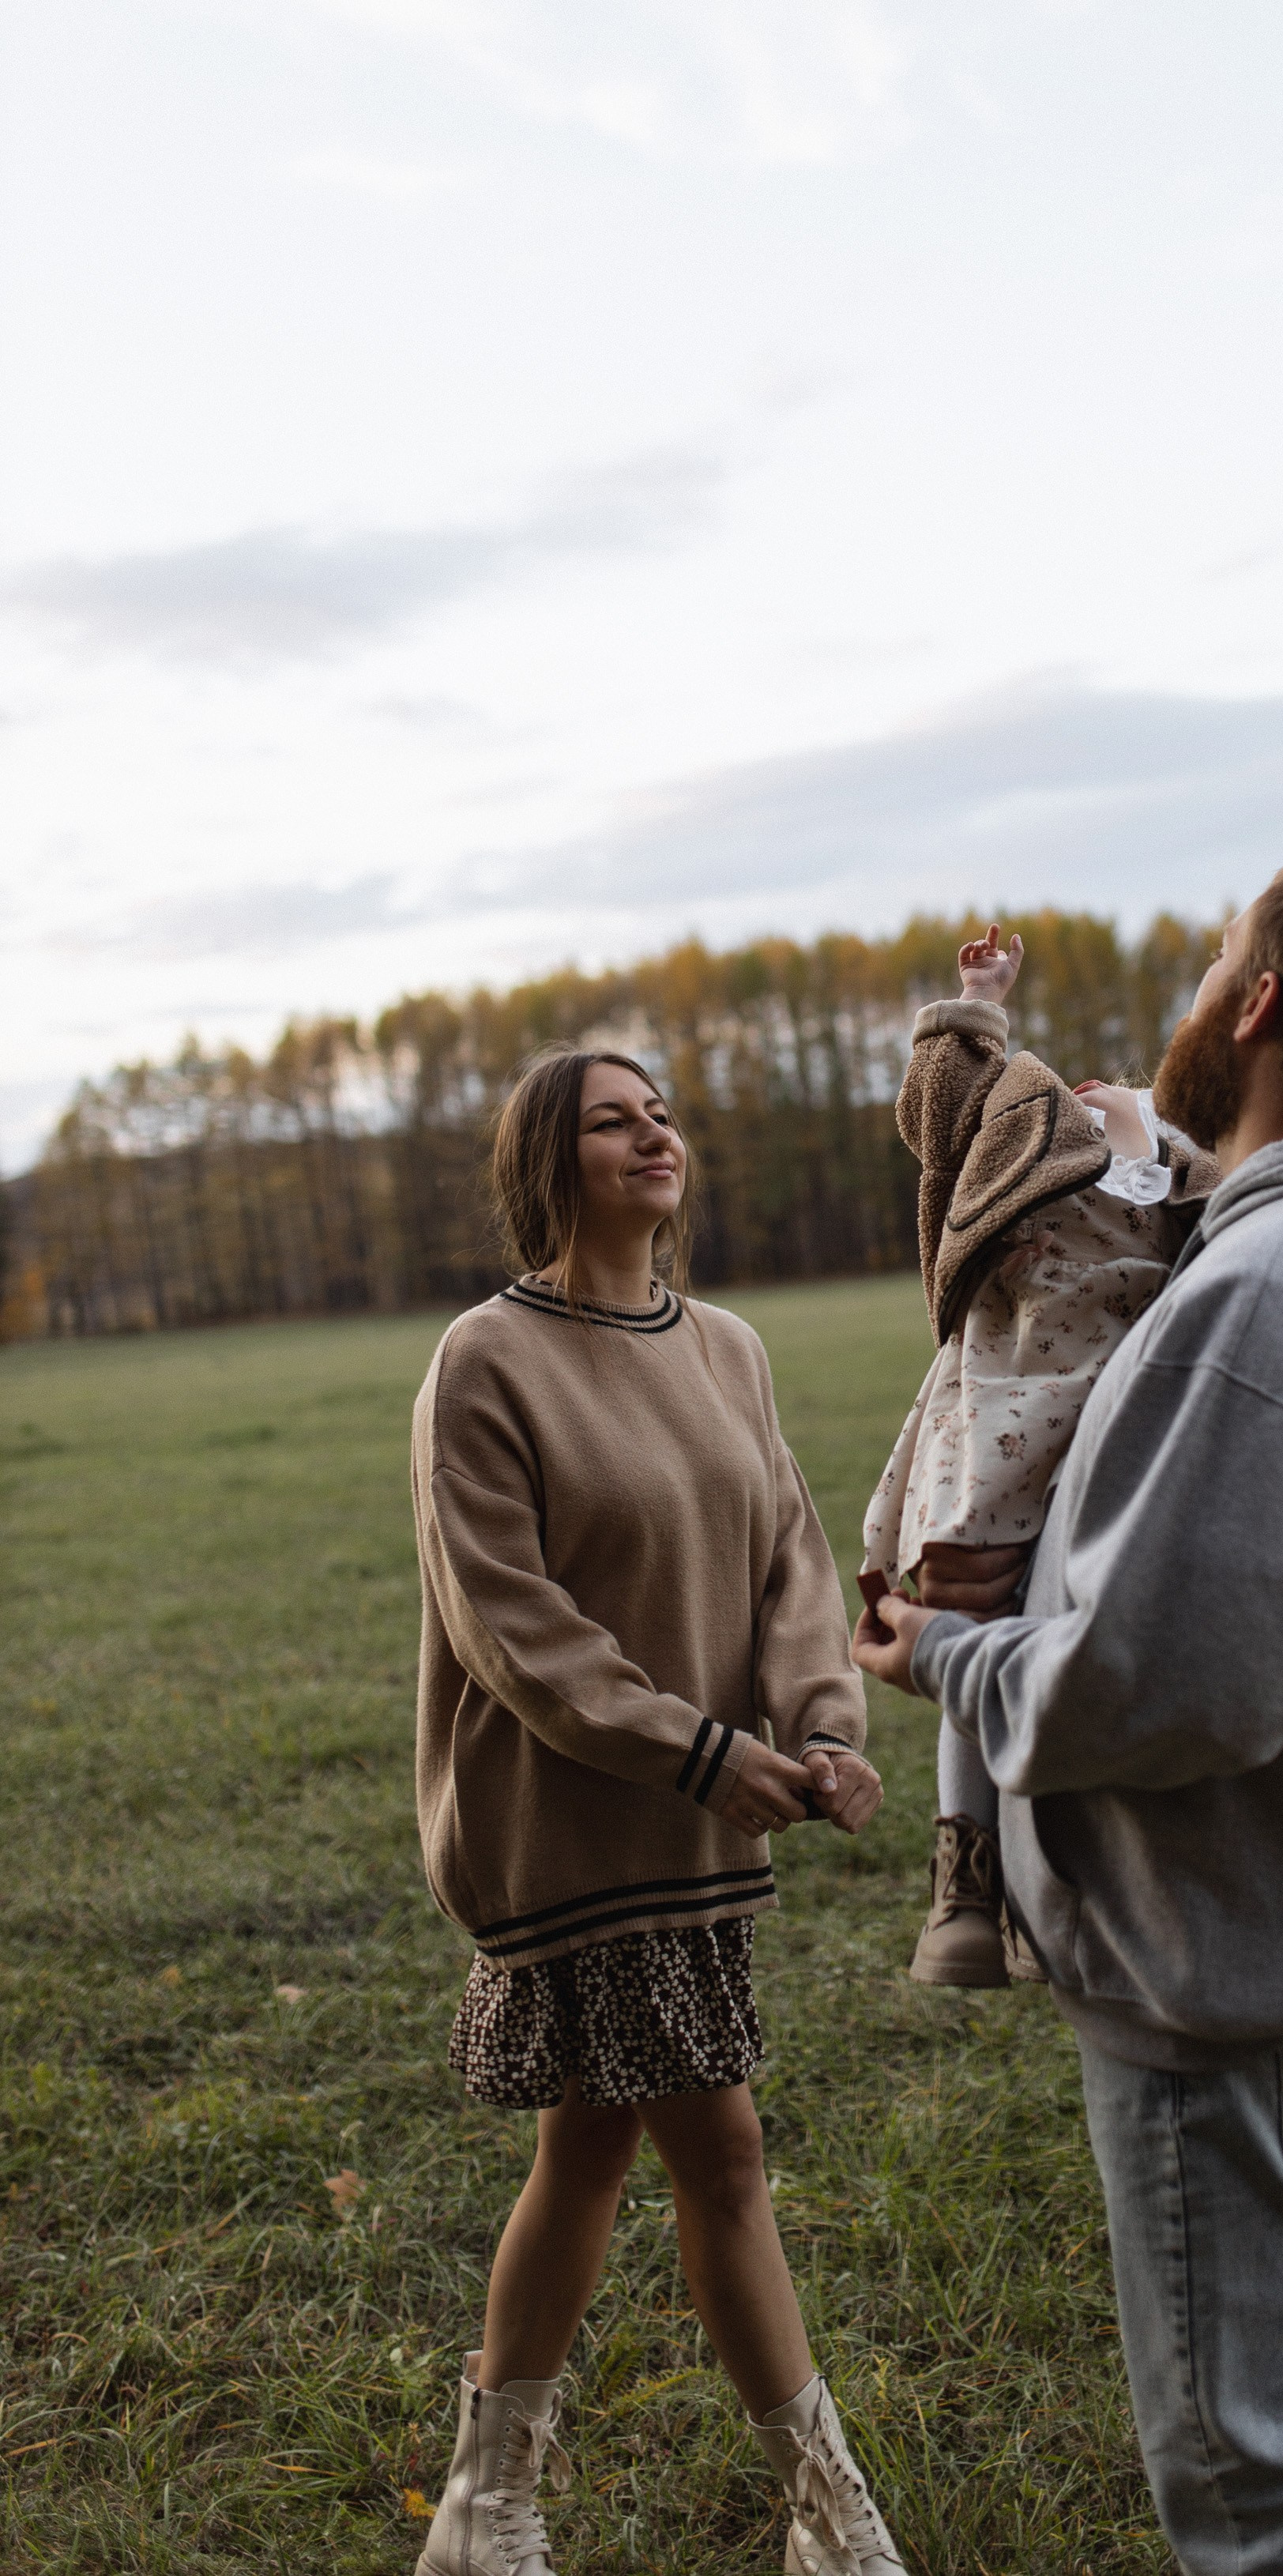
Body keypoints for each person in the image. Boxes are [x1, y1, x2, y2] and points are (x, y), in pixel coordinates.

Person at [855, 854, 1283, 2576]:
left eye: (1217, 958)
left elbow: (1162, 1683)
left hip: (1235, 1980)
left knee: (1269, 2489)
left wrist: (944, 1655)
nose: (1196, 991)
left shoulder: (1265, 1293)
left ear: (1258, 1002)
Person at [410, 1047, 906, 2576]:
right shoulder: (487, 1358)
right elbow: (509, 1622)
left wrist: (821, 1727)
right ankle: (829, 2523)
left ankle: (485, 2509)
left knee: (594, 2148)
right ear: (547, 1163)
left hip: (699, 1828)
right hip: (574, 1827)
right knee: (716, 2155)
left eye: (662, 1114)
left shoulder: (727, 1348)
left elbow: (791, 1561)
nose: (652, 1136)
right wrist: (694, 1751)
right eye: (610, 1121)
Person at [861, 923, 1217, 1985]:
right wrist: (980, 1002)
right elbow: (937, 1110)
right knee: (969, 1616)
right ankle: (966, 1882)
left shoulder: (1196, 1155)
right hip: (1010, 1393)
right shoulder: (1025, 1116)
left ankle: (1105, 1865)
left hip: (1134, 1397)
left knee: (1110, 1622)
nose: (1098, 1089)